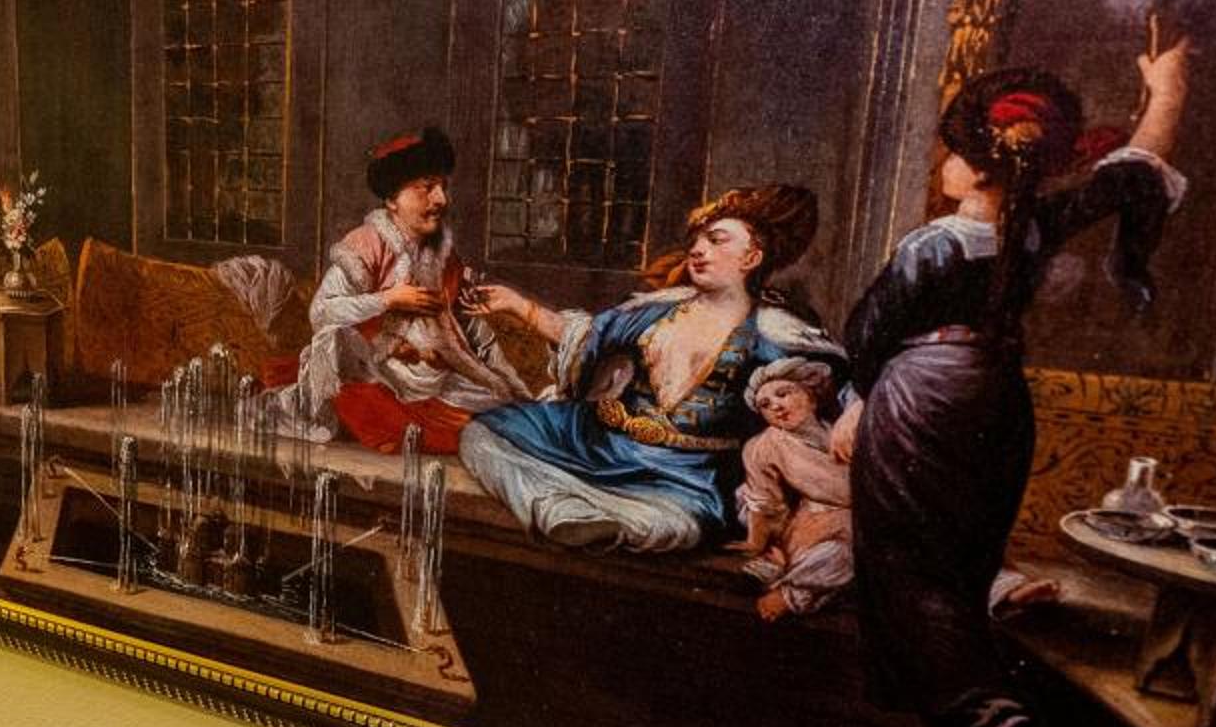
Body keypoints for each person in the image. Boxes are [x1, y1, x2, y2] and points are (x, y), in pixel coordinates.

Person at [834, 41, 1191, 727]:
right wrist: (1166, 95)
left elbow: (867, 333)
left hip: (920, 396)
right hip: (998, 395)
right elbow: (1130, 173)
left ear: (977, 167)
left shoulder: (933, 244)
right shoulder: (1034, 229)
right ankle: (945, 691)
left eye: (952, 154)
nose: (943, 165)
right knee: (967, 546)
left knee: (907, 550)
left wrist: (857, 403)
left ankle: (974, 702)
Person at [462, 183, 846, 552]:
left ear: (751, 258)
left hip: (685, 477)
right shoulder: (655, 310)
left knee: (676, 525)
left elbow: (834, 393)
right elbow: (586, 336)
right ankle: (557, 508)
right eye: (697, 241)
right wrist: (517, 305)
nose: (697, 250)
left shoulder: (775, 334)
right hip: (601, 442)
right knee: (482, 436)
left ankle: (593, 518)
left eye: (716, 241)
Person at [269, 126, 529, 453]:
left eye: (443, 187)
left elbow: (473, 331)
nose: (441, 199)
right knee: (396, 416)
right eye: (427, 188)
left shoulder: (445, 257)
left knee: (500, 420)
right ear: (393, 200)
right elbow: (321, 312)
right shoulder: (367, 244)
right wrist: (388, 299)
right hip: (374, 374)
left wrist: (508, 384)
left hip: (433, 381)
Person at [733, 355, 853, 621]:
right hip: (812, 526)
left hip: (857, 522)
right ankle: (790, 587)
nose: (776, 406)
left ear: (810, 395)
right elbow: (765, 502)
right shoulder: (764, 446)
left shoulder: (843, 429)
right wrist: (759, 543)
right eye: (765, 405)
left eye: (783, 394)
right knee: (838, 555)